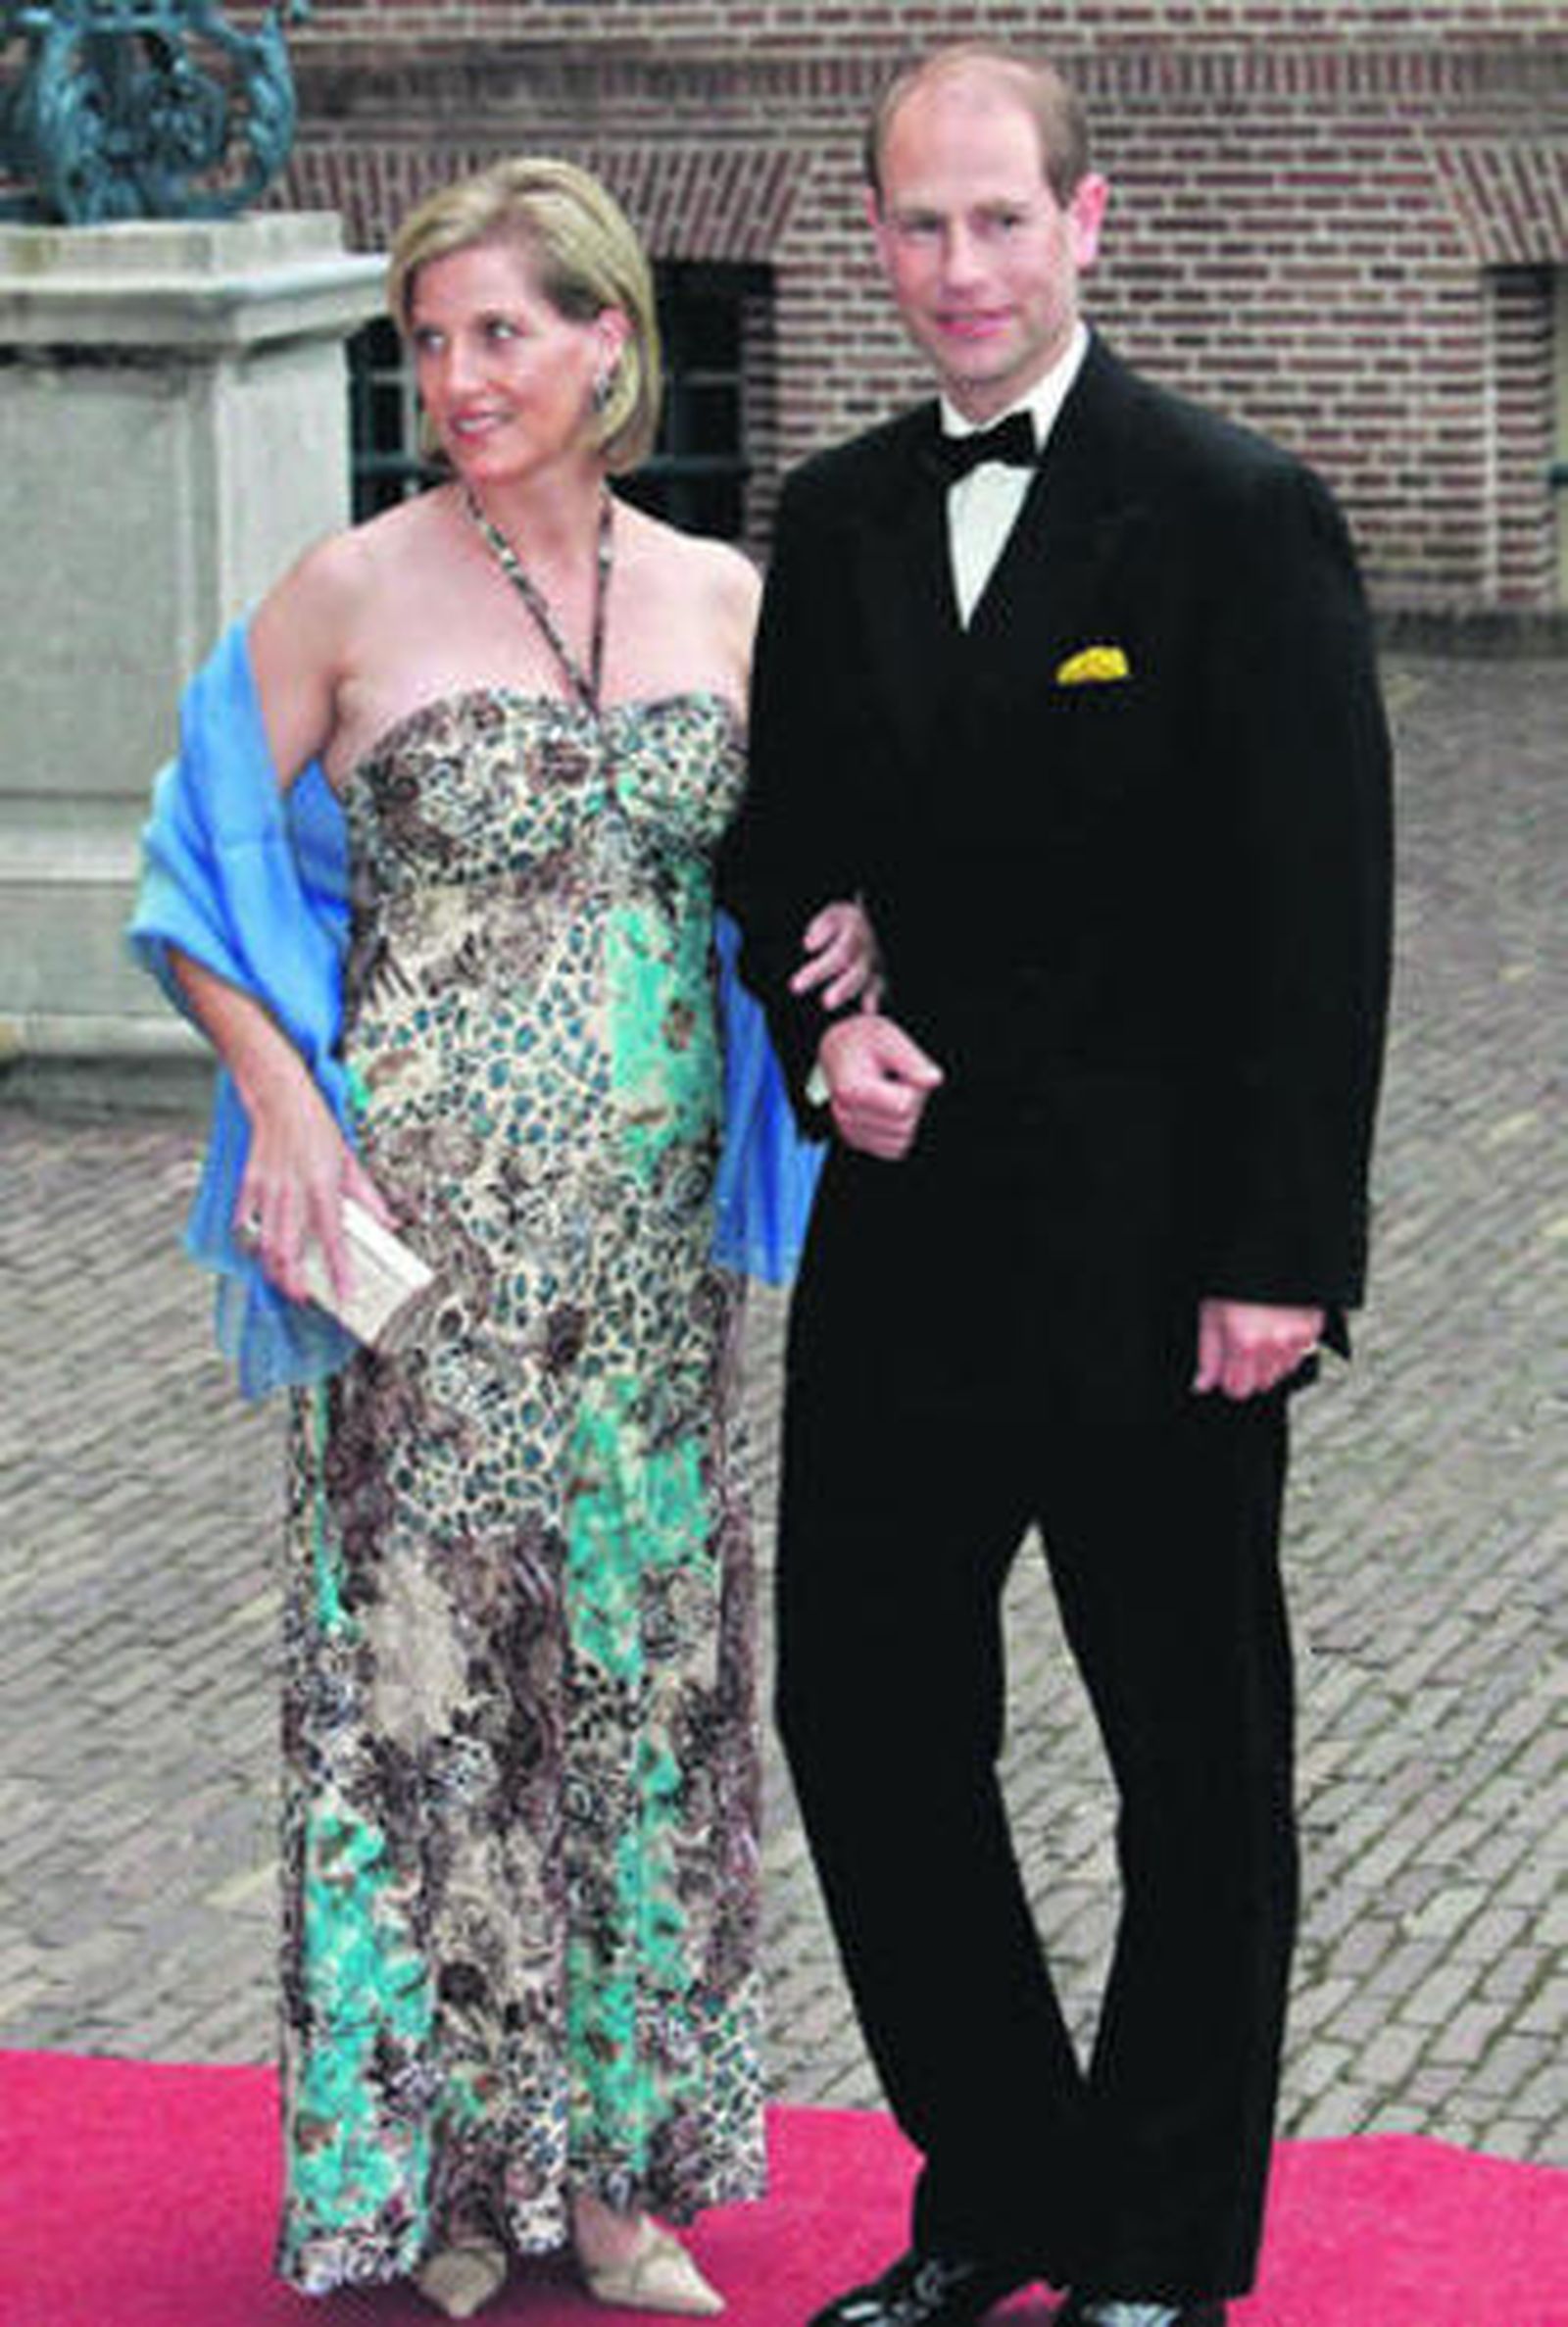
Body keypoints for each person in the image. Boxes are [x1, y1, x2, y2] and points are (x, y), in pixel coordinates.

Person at [129, 156, 870, 2320]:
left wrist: (859, 932)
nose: (456, 376)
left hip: (644, 1272)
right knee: (436, 1693)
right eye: (429, 339)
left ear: (606, 340)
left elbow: (809, 863)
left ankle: (620, 2183)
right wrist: (283, 1099)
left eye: (499, 332)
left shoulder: (727, 599)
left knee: (639, 1683)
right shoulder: (346, 592)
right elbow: (189, 870)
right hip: (423, 1264)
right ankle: (449, 2184)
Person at [722, 43, 1393, 2327]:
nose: (959, 266)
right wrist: (820, 1029)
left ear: (1083, 223)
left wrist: (1281, 1258)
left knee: (1187, 1762)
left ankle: (1160, 2244)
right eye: (918, 223)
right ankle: (1003, 2179)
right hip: (902, 1243)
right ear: (874, 240)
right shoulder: (831, 517)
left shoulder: (1230, 511)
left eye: (998, 218)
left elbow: (1318, 916)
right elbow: (780, 857)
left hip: (1158, 1262)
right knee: (859, 1721)